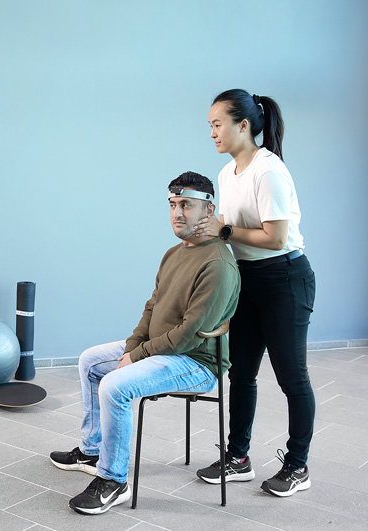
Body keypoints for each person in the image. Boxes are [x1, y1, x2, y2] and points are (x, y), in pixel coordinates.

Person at [49, 172, 240, 515]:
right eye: (172, 205)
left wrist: (138, 355)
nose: (178, 213)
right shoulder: (173, 253)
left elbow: (186, 335)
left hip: (195, 364)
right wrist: (132, 346)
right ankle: (93, 451)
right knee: (90, 361)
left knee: (114, 386)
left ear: (209, 211)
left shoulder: (219, 265)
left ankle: (113, 481)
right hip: (160, 349)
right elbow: (152, 306)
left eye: (187, 205)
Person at [193, 89, 316, 497]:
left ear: (242, 125)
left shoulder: (269, 170)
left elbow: (276, 236)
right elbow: (227, 224)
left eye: (217, 124)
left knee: (292, 379)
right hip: (249, 279)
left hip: (285, 279)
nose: (211, 132)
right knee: (241, 373)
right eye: (209, 125)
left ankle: (298, 466)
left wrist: (223, 230)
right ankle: (238, 457)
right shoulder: (228, 173)